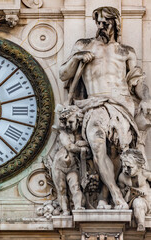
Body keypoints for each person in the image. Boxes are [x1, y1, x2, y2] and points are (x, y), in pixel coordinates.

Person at [59, 6, 151, 209]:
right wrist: (77, 58)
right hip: (94, 103)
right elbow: (64, 75)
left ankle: (105, 196)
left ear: (115, 24)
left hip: (121, 103)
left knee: (117, 150)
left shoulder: (126, 52)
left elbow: (136, 82)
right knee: (97, 144)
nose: (101, 26)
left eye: (106, 22)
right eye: (99, 22)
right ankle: (117, 195)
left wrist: (145, 99)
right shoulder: (83, 45)